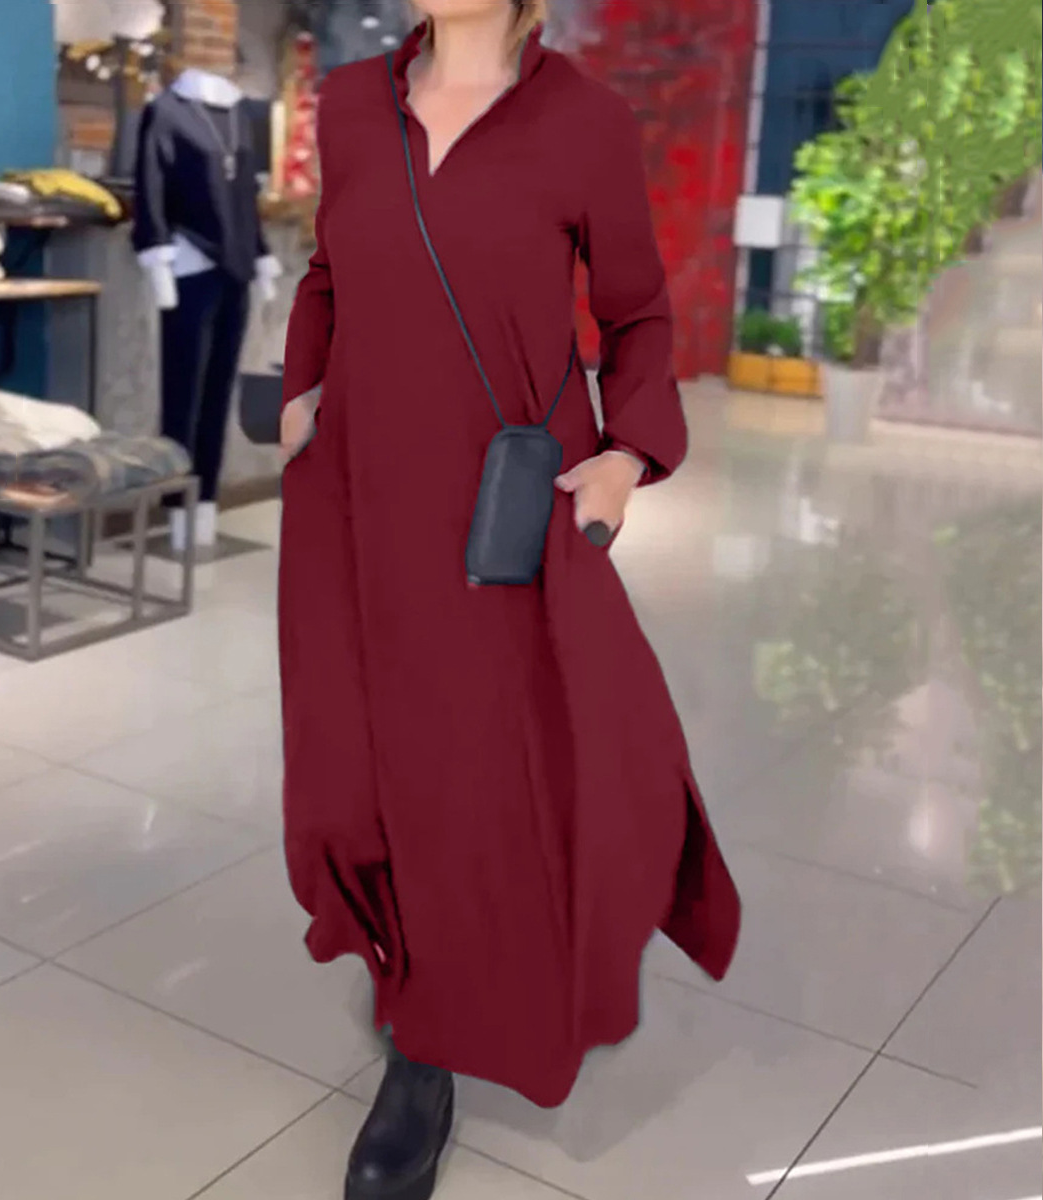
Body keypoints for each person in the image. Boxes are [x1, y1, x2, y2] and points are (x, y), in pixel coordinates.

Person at [277, 4, 742, 1198]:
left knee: (481, 775)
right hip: (355, 499)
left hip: (498, 513)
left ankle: (427, 1051)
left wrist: (626, 457)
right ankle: (409, 985)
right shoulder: (349, 104)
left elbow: (637, 313)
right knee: (360, 763)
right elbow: (328, 274)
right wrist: (300, 391)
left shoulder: (583, 122)